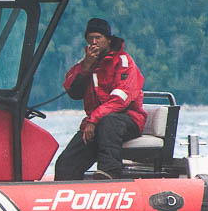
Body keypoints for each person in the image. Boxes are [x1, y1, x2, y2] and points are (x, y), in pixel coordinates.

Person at [54, 17, 146, 180]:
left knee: (109, 121)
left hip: (127, 120)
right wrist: (86, 66)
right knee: (65, 164)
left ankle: (109, 172)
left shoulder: (124, 61)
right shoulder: (87, 64)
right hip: (97, 122)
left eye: (98, 38)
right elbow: (73, 91)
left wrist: (94, 119)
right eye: (90, 39)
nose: (94, 42)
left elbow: (121, 100)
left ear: (108, 40)